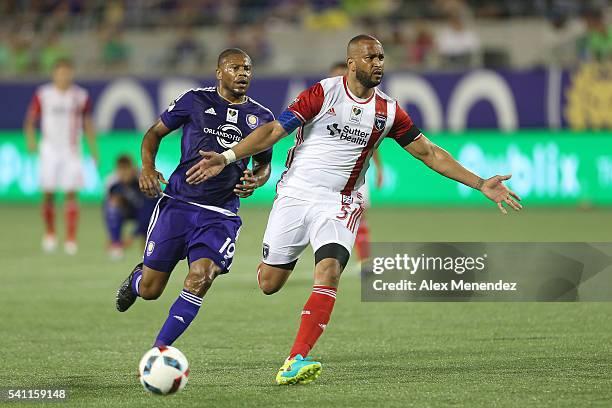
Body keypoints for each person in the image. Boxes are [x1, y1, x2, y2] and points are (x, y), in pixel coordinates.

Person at [187, 35, 522, 385]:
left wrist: (480, 182)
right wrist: (227, 157)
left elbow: (429, 153)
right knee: (269, 283)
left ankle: (296, 358)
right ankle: (277, 263)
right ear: (351, 63)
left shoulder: (389, 111)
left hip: (341, 201)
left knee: (329, 270)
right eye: (370, 57)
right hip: (296, 194)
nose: (378, 63)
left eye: (381, 57)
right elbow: (273, 131)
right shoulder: (323, 93)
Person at [115, 49, 274, 350]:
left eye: (247, 69)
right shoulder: (195, 100)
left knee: (201, 277)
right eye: (235, 67)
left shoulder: (262, 118)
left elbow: (263, 164)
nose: (243, 73)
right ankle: (137, 279)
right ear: (218, 73)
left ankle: (159, 351)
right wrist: (147, 167)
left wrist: (257, 179)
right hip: (177, 204)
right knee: (151, 290)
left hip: (220, 215)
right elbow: (153, 133)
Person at [23, 58, 98, 255]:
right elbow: (30, 120)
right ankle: (49, 233)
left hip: (71, 150)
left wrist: (93, 149)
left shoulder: (80, 96)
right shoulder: (44, 94)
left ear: (71, 73)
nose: (64, 76)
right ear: (54, 73)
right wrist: (30, 140)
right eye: (60, 72)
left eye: (67, 72)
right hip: (49, 149)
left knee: (71, 192)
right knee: (48, 193)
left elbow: (88, 123)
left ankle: (71, 238)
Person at [330, 61, 383, 264]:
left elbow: (372, 142)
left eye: (341, 76)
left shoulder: (365, 107)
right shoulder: (323, 103)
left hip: (356, 173)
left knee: (359, 215)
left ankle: (365, 260)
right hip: (327, 173)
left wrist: (379, 168)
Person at [104, 154, 157, 260]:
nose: (123, 174)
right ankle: (116, 243)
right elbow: (107, 208)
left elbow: (149, 210)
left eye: (126, 170)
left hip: (150, 212)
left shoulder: (143, 180)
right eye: (120, 170)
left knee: (151, 216)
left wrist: (133, 236)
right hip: (128, 210)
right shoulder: (111, 181)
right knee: (111, 206)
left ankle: (148, 243)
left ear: (132, 169)